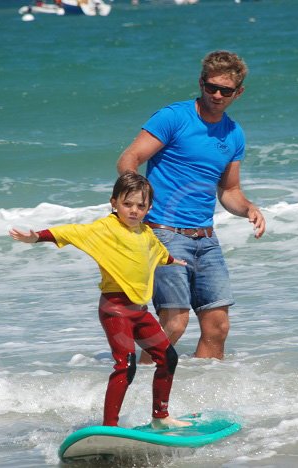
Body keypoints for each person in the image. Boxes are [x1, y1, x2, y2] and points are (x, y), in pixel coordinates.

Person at [117, 50, 266, 363]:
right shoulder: (174, 117)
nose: (216, 95)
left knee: (218, 327)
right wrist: (136, 196)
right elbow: (130, 159)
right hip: (163, 233)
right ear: (201, 82)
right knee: (174, 323)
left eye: (225, 91)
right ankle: (137, 386)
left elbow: (229, 190)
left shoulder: (233, 134)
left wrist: (248, 208)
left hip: (206, 240)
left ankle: (202, 398)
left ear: (238, 93)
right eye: (210, 87)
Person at [9, 173, 191, 429]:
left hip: (139, 311)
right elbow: (72, 232)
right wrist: (37, 237)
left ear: (149, 208)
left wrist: (174, 261)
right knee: (126, 366)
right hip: (115, 310)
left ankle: (160, 417)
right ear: (114, 203)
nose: (134, 211)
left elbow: (157, 253)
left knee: (168, 357)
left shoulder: (146, 233)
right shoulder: (103, 229)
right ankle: (110, 427)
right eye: (128, 204)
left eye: (141, 206)